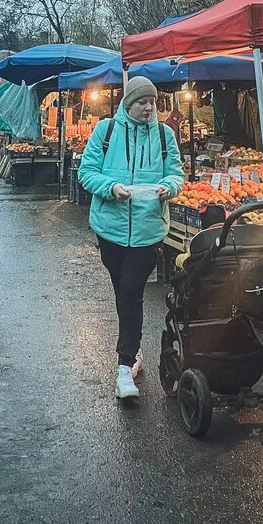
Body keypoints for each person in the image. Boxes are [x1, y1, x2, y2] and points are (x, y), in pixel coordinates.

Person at [78, 76, 185, 400]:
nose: (149, 107)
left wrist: (170, 186)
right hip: (110, 229)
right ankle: (134, 349)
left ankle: (125, 368)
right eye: (142, 102)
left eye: (152, 102)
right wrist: (111, 188)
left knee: (131, 293)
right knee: (122, 293)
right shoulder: (106, 132)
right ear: (128, 103)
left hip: (147, 231)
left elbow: (177, 173)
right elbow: (86, 172)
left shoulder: (165, 136)